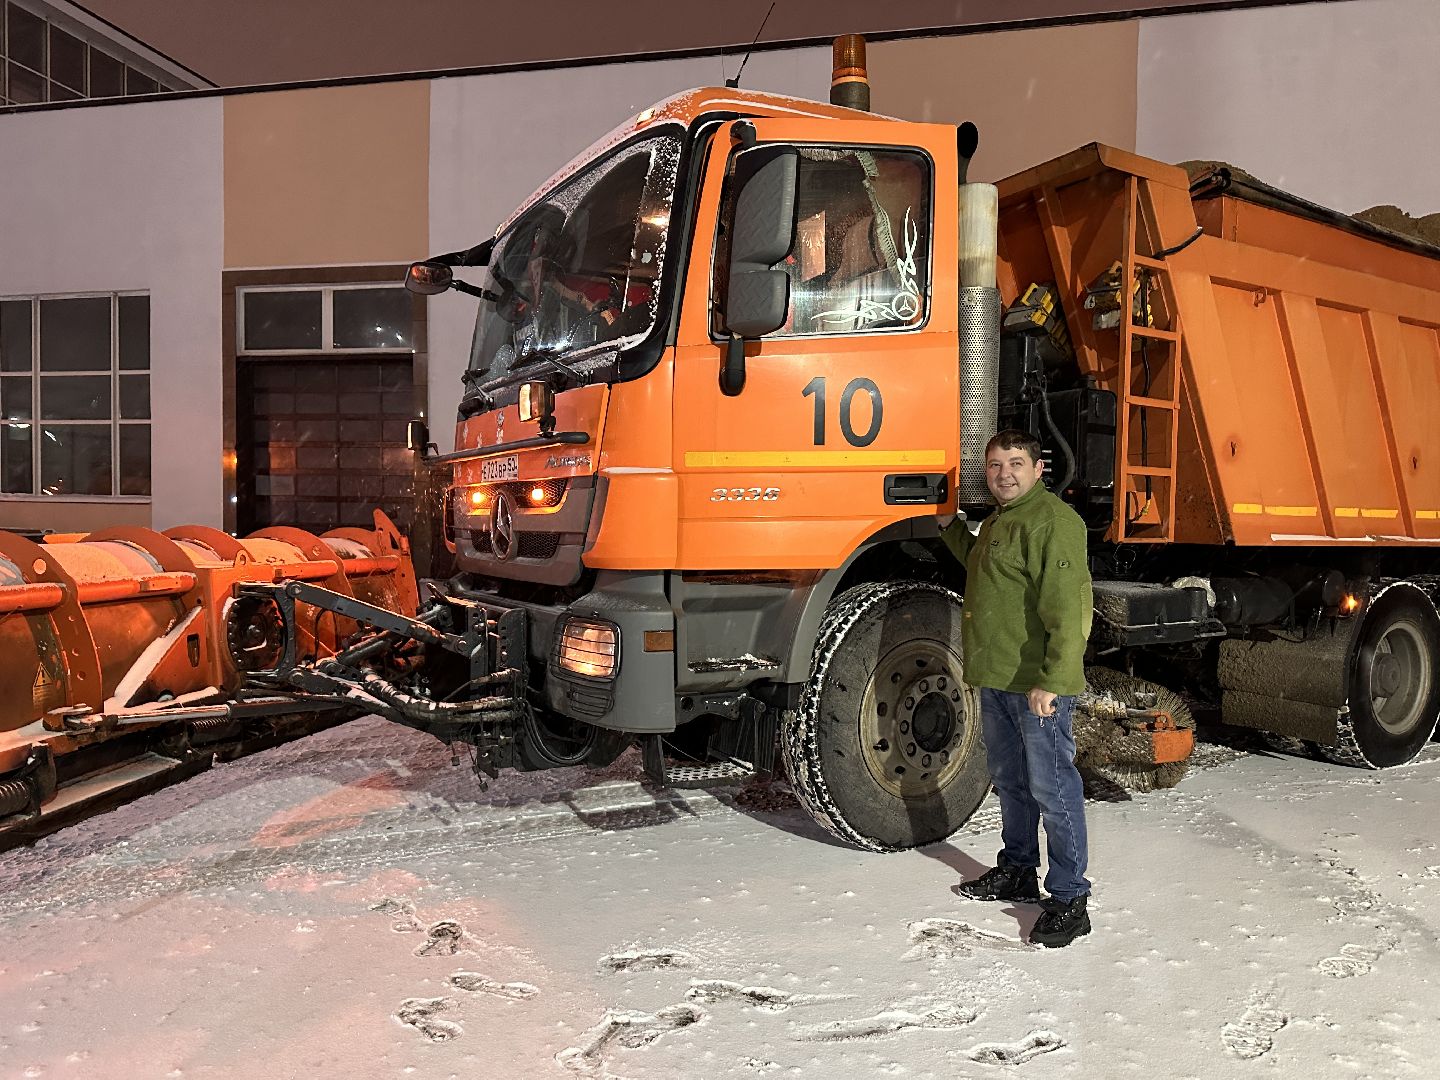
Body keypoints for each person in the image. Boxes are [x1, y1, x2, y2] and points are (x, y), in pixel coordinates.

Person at [939, 429, 1094, 948]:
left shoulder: (1053, 521)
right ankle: (1019, 869)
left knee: (1053, 789)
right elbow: (987, 569)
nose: (1004, 474)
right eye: (995, 466)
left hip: (1034, 686)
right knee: (1012, 782)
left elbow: (1068, 610)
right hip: (999, 679)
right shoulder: (1005, 521)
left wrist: (1052, 682)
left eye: (1015, 464)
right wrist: (949, 528)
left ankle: (1070, 897)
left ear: (1038, 468)